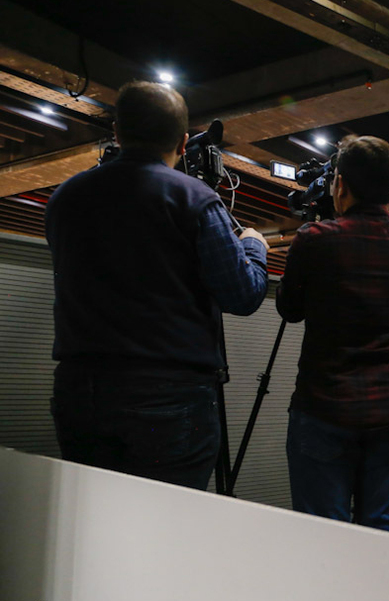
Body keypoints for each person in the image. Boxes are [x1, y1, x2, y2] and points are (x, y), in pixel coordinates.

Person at [45, 81, 269, 490]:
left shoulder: (64, 198)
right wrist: (253, 245)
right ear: (183, 143)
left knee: (93, 513)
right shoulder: (194, 198)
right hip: (169, 397)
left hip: (80, 391)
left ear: (117, 133)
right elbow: (243, 294)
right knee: (167, 518)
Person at [277, 135, 389, 533]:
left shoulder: (314, 239)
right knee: (382, 532)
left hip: (326, 408)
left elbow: (289, 309)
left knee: (323, 532)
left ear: (340, 184)